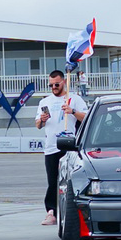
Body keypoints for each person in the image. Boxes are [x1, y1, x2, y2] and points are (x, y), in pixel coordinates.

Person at [33, 69, 88, 228]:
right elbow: (38, 125)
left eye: (56, 84)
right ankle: (51, 211)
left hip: (69, 145)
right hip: (51, 147)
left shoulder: (74, 99)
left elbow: (86, 117)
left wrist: (73, 111)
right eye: (51, 85)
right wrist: (42, 120)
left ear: (63, 82)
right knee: (53, 181)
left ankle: (74, 210)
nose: (53, 88)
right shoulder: (45, 102)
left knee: (71, 180)